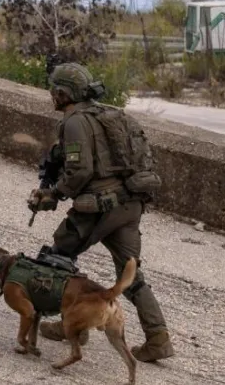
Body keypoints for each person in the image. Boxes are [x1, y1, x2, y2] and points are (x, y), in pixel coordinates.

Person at [27, 62, 175, 362]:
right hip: (129, 205)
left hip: (98, 208)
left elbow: (80, 172)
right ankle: (157, 337)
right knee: (130, 273)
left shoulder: (74, 122)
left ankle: (75, 328)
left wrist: (53, 194)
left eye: (54, 89)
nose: (51, 94)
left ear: (62, 93)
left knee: (58, 257)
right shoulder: (107, 113)